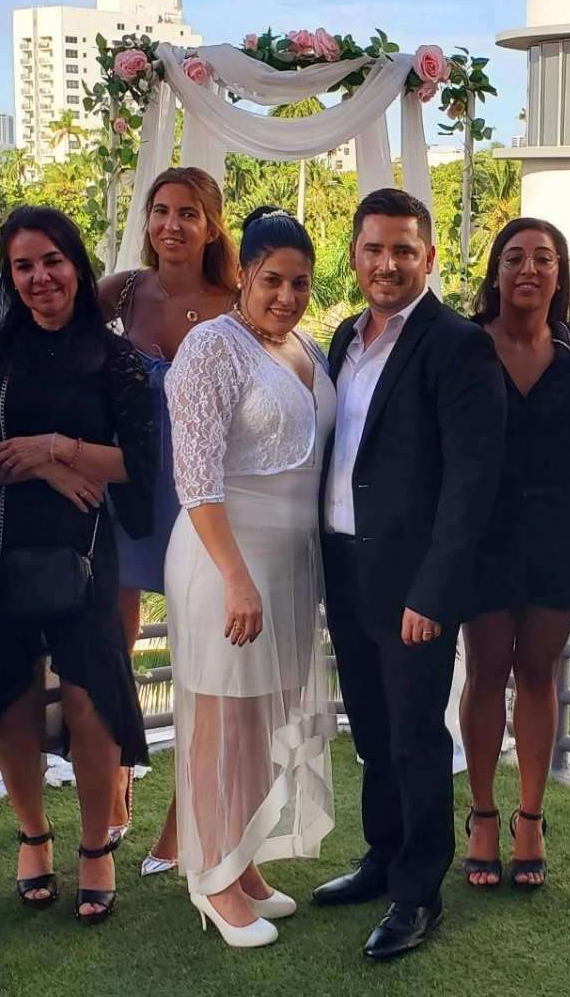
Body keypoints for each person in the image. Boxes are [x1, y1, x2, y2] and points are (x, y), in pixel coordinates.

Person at [313, 188, 506, 960]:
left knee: (416, 737)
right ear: (355, 255)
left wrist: (433, 590)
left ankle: (417, 891)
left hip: (412, 583)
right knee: (371, 727)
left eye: (403, 249)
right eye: (373, 248)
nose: (387, 262)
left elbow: (472, 480)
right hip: (345, 565)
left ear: (427, 257)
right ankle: (382, 855)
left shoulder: (456, 344)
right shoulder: (342, 339)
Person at [0, 206, 155, 923]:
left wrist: (53, 448)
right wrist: (38, 465)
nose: (41, 277)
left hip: (86, 549)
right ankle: (33, 835)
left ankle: (96, 846)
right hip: (2, 546)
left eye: (52, 261)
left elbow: (139, 463)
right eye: (23, 266)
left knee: (89, 697)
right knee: (10, 696)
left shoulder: (113, 356)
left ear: (76, 264)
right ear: (11, 278)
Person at [164, 207, 336, 949]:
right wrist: (236, 579)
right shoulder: (211, 347)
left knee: (265, 718)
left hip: (292, 560)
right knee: (220, 720)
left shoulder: (309, 346)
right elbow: (196, 480)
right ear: (243, 274)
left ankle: (243, 861)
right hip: (224, 557)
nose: (287, 296)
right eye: (273, 280)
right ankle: (210, 879)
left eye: (301, 282)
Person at [99, 167, 237, 869]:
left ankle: (184, 819)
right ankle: (116, 788)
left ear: (212, 224)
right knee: (114, 658)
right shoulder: (121, 292)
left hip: (199, 502)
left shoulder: (236, 303)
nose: (171, 225)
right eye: (160, 211)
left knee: (196, 666)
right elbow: (50, 340)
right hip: (124, 494)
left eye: (188, 213)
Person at [460, 217, 570, 889]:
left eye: (544, 257)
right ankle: (482, 814)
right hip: (480, 537)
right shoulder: (464, 347)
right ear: (496, 272)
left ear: (559, 273)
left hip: (555, 535)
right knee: (485, 669)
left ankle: (531, 817)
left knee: (538, 673)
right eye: (515, 258)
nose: (529, 269)